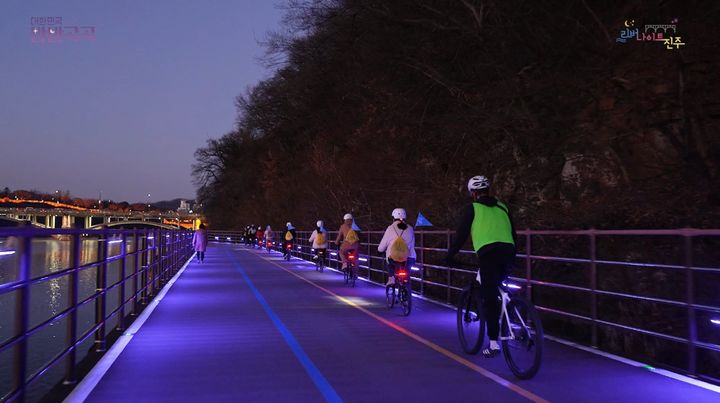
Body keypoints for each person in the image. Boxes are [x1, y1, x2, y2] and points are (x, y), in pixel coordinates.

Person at [446, 175, 517, 358]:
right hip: (508, 250)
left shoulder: (473, 208)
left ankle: (494, 344)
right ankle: (512, 310)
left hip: (488, 253)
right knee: (497, 285)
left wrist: (450, 255)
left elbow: (461, 235)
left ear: (473, 193)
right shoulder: (503, 207)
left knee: (489, 297)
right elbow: (514, 234)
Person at [377, 208, 416, 286]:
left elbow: (383, 245)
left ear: (393, 217)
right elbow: (413, 243)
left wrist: (379, 250)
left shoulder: (390, 228)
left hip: (394, 258)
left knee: (389, 263)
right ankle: (407, 288)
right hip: (409, 257)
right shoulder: (410, 228)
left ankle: (391, 278)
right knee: (407, 271)